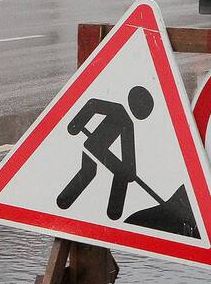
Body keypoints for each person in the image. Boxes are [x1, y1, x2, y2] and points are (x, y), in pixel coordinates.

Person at [56, 86, 153, 220]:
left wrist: (130, 171)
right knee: (99, 173)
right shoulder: (118, 110)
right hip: (94, 146)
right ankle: (111, 211)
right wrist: (75, 124)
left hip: (96, 149)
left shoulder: (128, 123)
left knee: (93, 172)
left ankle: (112, 211)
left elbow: (127, 152)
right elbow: (93, 105)